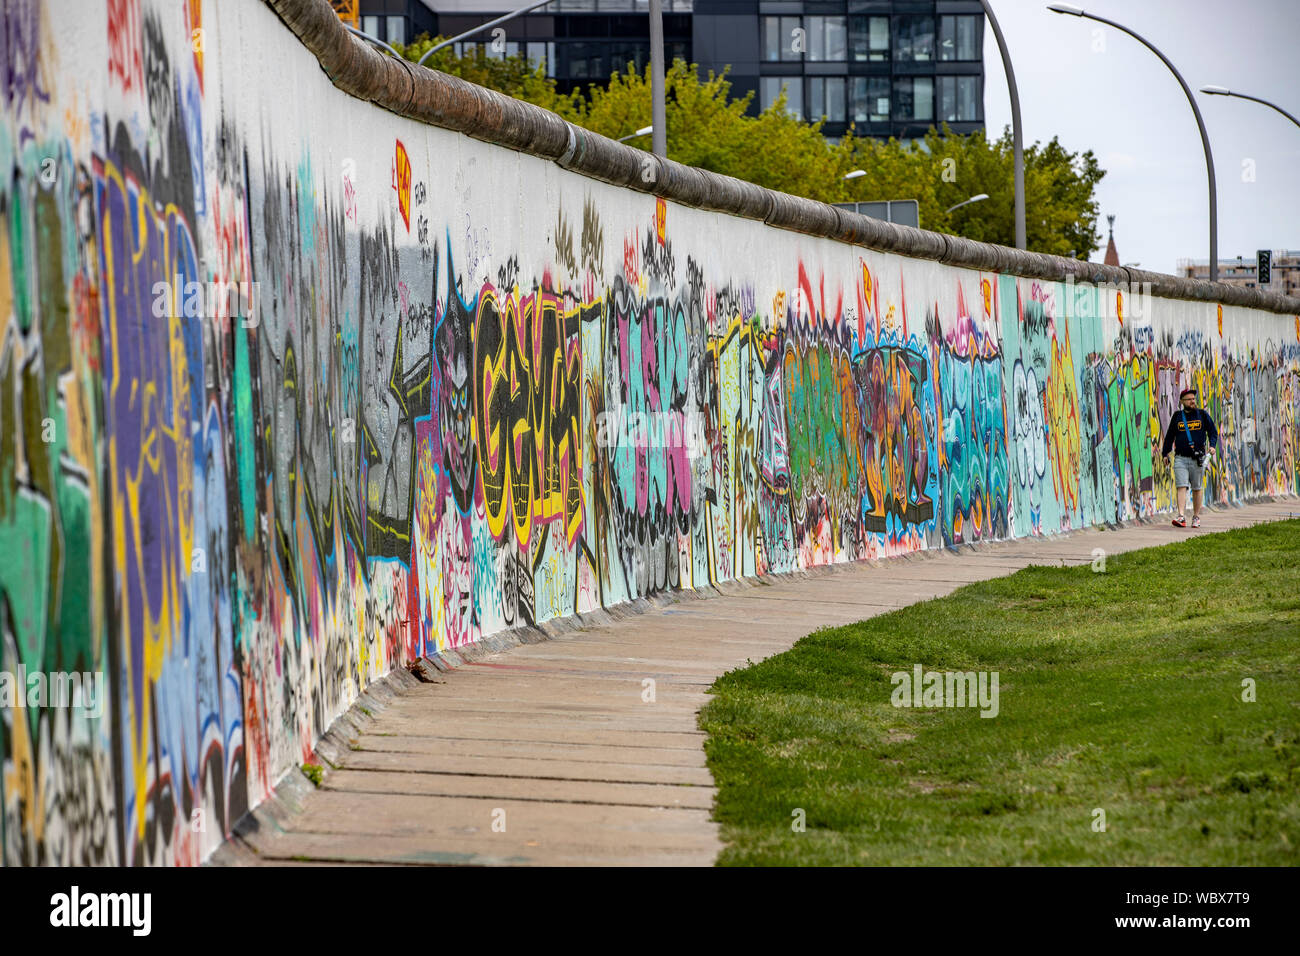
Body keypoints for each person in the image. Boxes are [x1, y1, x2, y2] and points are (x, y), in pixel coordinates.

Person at [1160, 387, 1218, 528]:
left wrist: (1212, 446)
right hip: (1180, 458)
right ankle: (1181, 516)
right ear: (1182, 401)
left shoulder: (1202, 415)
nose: (1193, 401)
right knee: (1181, 486)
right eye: (1189, 399)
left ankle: (1196, 516)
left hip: (1198, 459)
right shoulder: (1177, 417)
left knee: (1197, 488)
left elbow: (1213, 432)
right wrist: (1165, 453)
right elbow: (1169, 437)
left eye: (1194, 399)